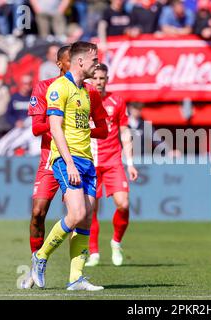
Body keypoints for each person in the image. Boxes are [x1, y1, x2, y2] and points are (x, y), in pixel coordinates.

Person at [23, 43, 108, 290]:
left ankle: (76, 279)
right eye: (94, 60)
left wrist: (84, 132)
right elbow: (49, 127)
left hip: (86, 160)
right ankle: (39, 257)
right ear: (69, 62)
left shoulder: (86, 91)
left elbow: (101, 127)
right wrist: (68, 160)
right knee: (49, 212)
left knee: (85, 219)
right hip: (60, 158)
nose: (97, 64)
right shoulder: (53, 88)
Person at [85, 63, 139, 267]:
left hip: (112, 160)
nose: (98, 82)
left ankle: (116, 242)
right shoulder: (83, 99)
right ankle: (94, 253)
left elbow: (124, 131)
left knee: (123, 204)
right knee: (90, 211)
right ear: (90, 78)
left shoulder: (116, 101)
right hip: (89, 162)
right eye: (95, 78)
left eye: (102, 78)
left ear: (107, 79)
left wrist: (131, 163)